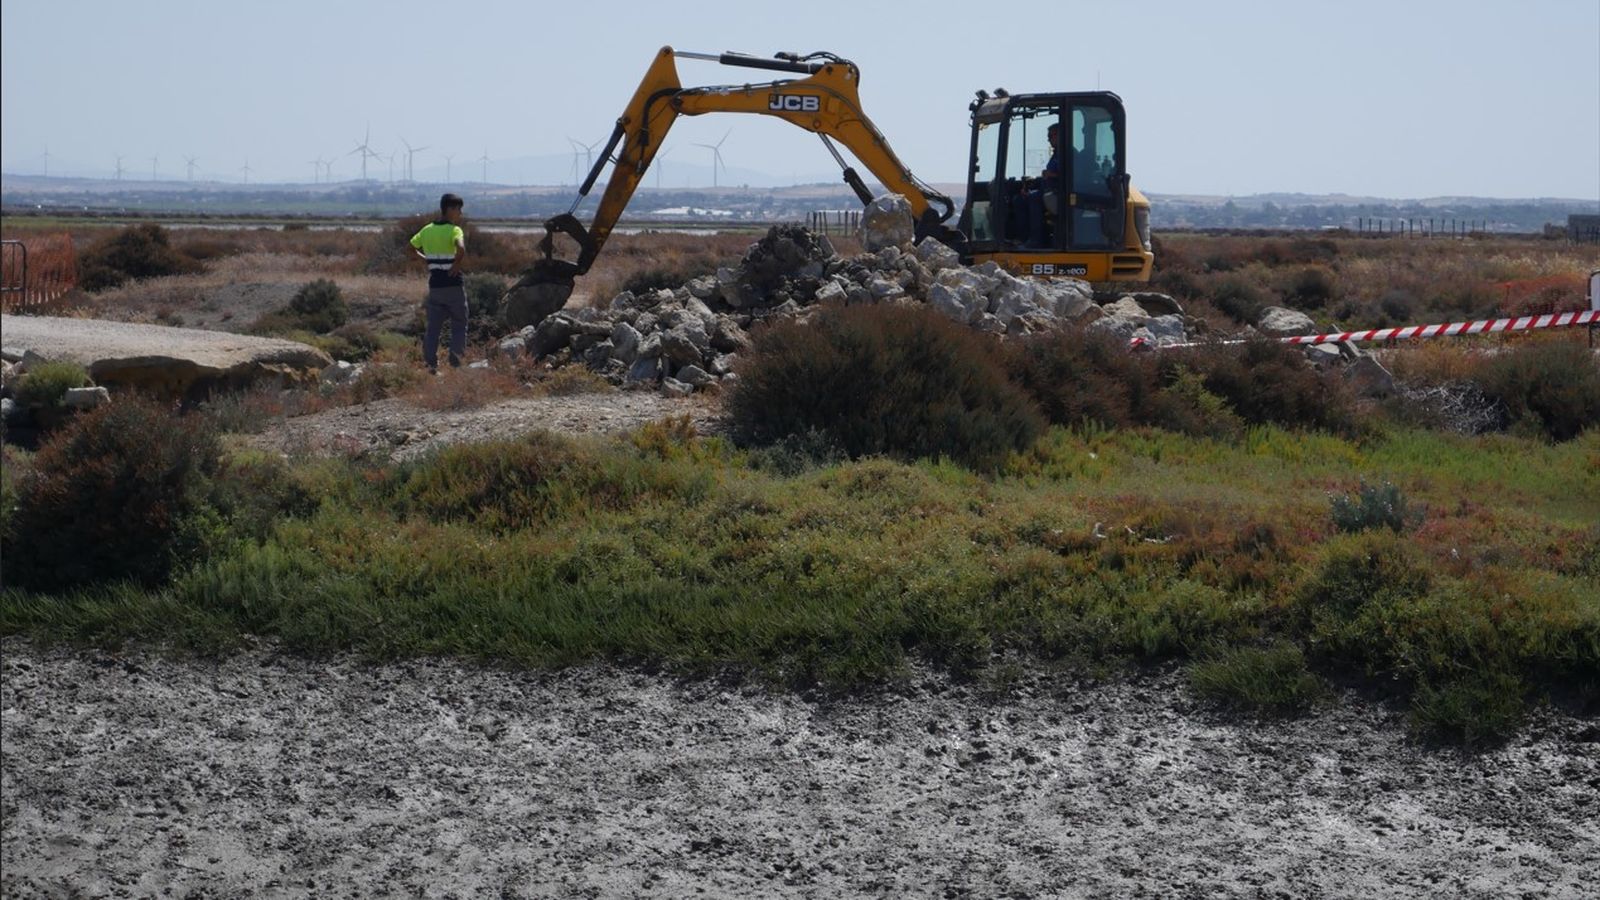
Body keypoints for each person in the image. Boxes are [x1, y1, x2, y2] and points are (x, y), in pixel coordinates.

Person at [410, 193, 468, 373]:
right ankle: (456, 363)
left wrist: (425, 259)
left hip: (435, 286)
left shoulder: (426, 230)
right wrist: (457, 264)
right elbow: (461, 247)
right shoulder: (455, 230)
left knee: (433, 328)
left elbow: (410, 248)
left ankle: (430, 365)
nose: (460, 213)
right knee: (459, 324)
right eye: (458, 209)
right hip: (453, 286)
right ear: (450, 209)